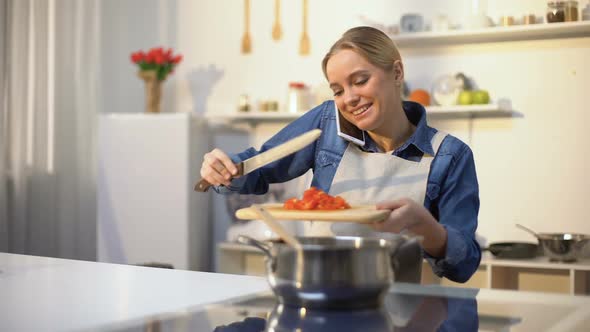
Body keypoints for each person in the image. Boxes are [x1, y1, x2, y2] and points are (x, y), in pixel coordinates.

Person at [199, 26, 480, 283]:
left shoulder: (450, 155)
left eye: (360, 81)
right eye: (338, 90)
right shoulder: (327, 123)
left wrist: (426, 228)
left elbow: (464, 265)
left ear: (397, 73)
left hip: (404, 313)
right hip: (320, 295)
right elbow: (259, 167)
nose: (349, 98)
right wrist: (225, 168)